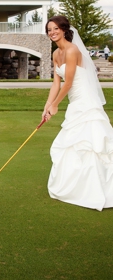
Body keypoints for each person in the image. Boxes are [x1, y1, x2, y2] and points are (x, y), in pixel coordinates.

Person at [43, 15, 113, 211]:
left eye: (56, 28)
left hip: (86, 101)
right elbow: (56, 83)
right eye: (49, 30)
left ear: (64, 30)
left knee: (91, 142)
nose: (52, 32)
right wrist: (47, 106)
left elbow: (69, 83)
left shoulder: (73, 50)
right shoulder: (56, 54)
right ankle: (76, 186)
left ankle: (95, 189)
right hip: (75, 102)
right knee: (72, 142)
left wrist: (56, 105)